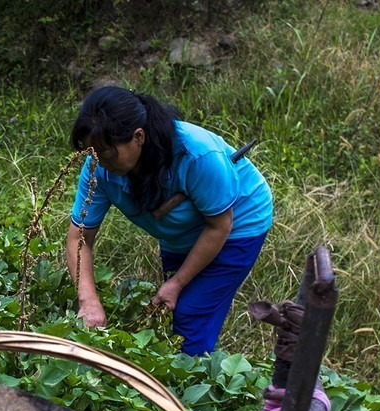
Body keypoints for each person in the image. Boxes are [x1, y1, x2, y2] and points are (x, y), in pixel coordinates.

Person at [65, 85, 273, 356]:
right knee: (177, 312)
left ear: (138, 137)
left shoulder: (196, 154)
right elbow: (78, 238)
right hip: (180, 233)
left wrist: (176, 283)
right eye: (91, 154)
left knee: (188, 313)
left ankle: (191, 392)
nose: (99, 163)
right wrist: (89, 301)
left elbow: (219, 225)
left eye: (106, 153)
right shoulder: (98, 167)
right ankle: (208, 368)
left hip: (236, 225)